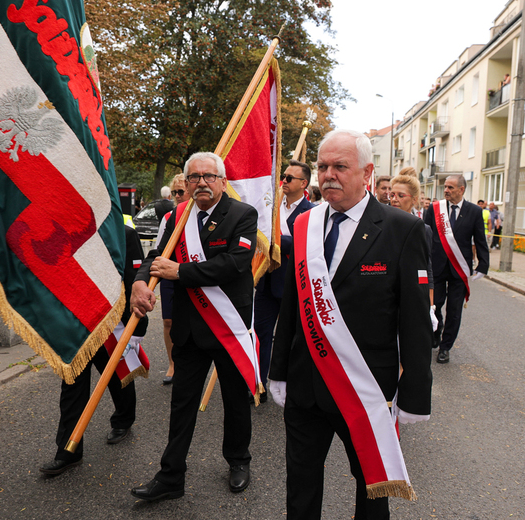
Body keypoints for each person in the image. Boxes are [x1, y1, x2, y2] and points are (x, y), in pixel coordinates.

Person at [269, 129, 433, 520]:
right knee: (301, 487)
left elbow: (415, 321)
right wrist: (278, 371)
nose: (328, 175)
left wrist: (414, 394)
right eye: (323, 167)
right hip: (307, 383)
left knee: (372, 488)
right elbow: (291, 306)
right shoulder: (306, 225)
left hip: (366, 389)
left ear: (367, 173)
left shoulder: (402, 229)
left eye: (340, 166)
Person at [130, 152, 258, 501]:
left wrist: (181, 273)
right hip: (189, 327)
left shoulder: (243, 214)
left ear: (222, 181)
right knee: (182, 404)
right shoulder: (176, 217)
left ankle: (238, 460)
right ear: (185, 183)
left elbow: (235, 263)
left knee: (234, 400)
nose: (202, 182)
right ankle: (171, 476)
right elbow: (156, 257)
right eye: (194, 177)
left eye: (209, 176)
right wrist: (140, 282)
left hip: (228, 324)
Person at [40, 224, 149, 476]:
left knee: (116, 376)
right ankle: (68, 451)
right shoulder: (66, 231)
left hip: (113, 323)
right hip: (77, 324)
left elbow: (135, 281)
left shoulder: (126, 234)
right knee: (72, 386)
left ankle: (124, 419)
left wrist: (137, 329)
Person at [252, 160, 313, 403]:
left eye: (289, 178)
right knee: (261, 334)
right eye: (283, 177)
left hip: (294, 285)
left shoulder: (312, 211)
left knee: (295, 337)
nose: (284, 181)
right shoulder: (271, 207)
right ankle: (259, 383)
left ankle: (292, 382)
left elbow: (305, 244)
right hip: (266, 282)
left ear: (304, 183)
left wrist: (276, 241)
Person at [424, 175, 489, 364]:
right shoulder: (435, 209)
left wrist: (483, 265)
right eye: (445, 187)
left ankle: (445, 347)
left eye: (451, 187)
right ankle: (436, 331)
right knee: (433, 305)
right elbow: (425, 235)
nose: (446, 190)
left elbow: (480, 239)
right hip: (436, 266)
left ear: (461, 190)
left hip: (458, 269)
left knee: (454, 310)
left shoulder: (474, 211)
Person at [390, 167, 436, 328]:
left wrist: (430, 306)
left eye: (401, 196)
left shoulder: (423, 230)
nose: (394, 199)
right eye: (392, 195)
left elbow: (426, 269)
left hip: (410, 294)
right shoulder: (379, 226)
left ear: (414, 200)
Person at [158, 173, 189, 384]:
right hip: (169, 274)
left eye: (181, 192)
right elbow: (158, 251)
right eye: (174, 192)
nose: (177, 196)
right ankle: (172, 363)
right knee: (168, 321)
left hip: (190, 274)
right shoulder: (168, 218)